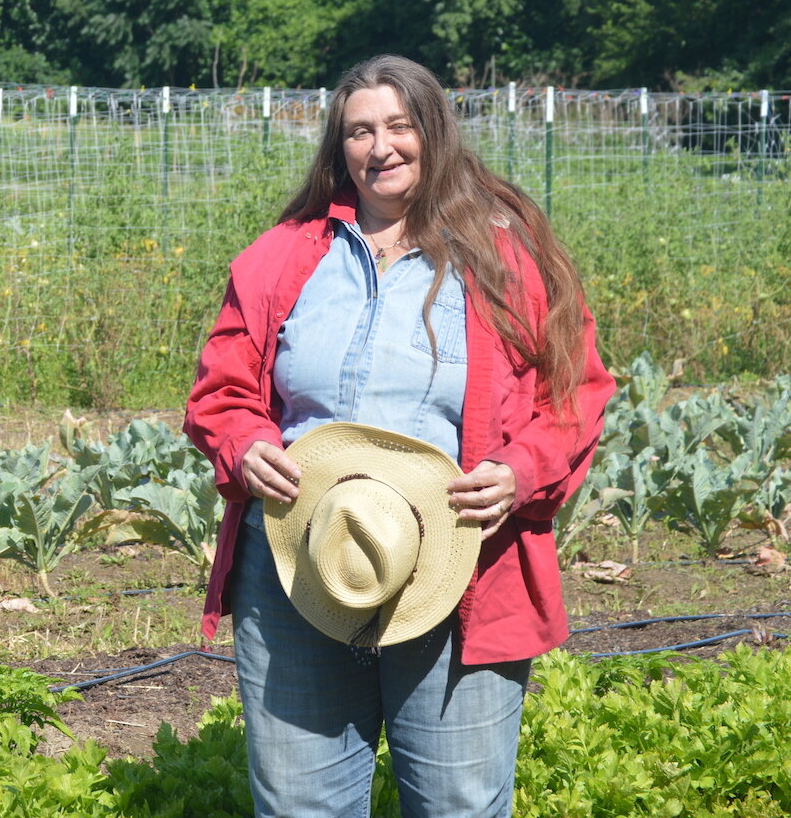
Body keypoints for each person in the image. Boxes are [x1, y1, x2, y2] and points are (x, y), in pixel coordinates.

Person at [183, 55, 615, 818]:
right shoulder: (286, 254)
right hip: (303, 565)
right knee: (299, 808)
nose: (379, 147)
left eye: (397, 125)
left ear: (433, 131)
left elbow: (574, 393)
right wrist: (246, 441)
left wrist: (520, 469)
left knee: (458, 806)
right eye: (358, 131)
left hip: (462, 566)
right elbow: (222, 387)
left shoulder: (506, 256)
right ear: (337, 146)